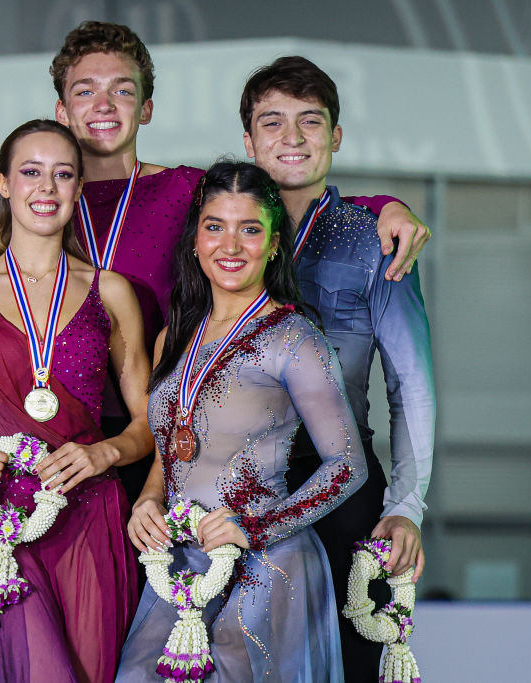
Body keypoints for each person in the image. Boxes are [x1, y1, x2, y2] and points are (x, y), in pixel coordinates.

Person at [50, 20, 430, 501]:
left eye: (122, 90)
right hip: (62, 431)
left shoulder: (186, 189)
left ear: (146, 108)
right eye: (86, 91)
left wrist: (385, 206)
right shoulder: (41, 200)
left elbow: (275, 197)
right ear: (61, 110)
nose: (104, 105)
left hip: (169, 434)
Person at [118, 161, 366, 682]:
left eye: (249, 229)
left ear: (273, 244)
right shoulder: (173, 337)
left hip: (266, 561)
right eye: (215, 226)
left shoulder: (294, 338)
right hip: (181, 561)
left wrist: (252, 528)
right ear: (195, 239)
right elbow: (173, 448)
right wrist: (147, 499)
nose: (230, 245)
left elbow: (347, 465)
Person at [0, 119, 152, 683]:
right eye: (30, 171)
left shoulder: (111, 291)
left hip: (89, 517)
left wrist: (106, 452)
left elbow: (151, 422)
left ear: (79, 188)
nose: (46, 187)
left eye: (63, 174)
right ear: (4, 184)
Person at [241, 56, 435, 681]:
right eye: (272, 122)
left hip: (345, 489)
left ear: (337, 136)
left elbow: (412, 386)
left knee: (349, 668)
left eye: (311, 121)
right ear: (248, 141)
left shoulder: (377, 241)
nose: (292, 137)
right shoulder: (222, 236)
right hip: (238, 489)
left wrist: (406, 506)